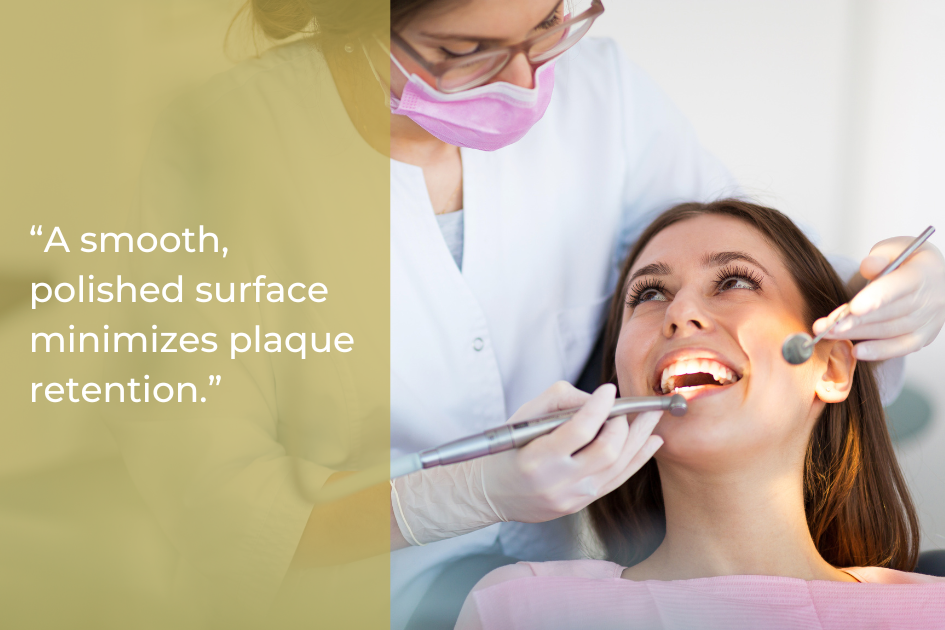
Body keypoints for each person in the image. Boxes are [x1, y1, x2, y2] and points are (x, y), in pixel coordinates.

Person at [106, 0, 945, 627]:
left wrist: (873, 284)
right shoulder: (226, 147)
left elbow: (733, 254)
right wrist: (453, 497)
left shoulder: (602, 96)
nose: (523, 79)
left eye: (549, 23)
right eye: (463, 48)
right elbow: (208, 501)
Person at [455, 199, 945, 630]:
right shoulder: (519, 610)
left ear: (832, 366)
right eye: (648, 294)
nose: (679, 311)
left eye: (734, 281)